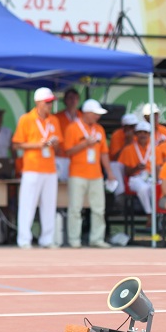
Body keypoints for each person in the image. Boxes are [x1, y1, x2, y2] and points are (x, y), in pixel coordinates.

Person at [12, 87, 62, 249]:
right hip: (32, 168)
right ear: (38, 102)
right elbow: (17, 144)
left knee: (49, 205)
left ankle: (47, 239)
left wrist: (53, 143)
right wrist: (38, 145)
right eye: (47, 102)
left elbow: (60, 144)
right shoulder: (26, 119)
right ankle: (24, 239)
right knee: (28, 204)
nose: (49, 105)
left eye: (51, 102)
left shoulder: (54, 120)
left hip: (50, 168)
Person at [63, 99, 115, 249]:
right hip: (77, 174)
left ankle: (97, 239)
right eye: (95, 114)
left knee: (99, 209)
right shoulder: (72, 128)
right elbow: (67, 151)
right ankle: (74, 240)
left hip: (96, 174)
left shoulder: (99, 129)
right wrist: (85, 144)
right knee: (75, 208)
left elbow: (104, 153)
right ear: (87, 113)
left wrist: (110, 173)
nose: (98, 117)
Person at [118, 122, 166, 216]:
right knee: (143, 189)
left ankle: (158, 215)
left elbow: (157, 167)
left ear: (149, 134)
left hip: (150, 177)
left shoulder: (155, 149)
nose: (142, 135)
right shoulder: (128, 149)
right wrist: (136, 168)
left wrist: (158, 181)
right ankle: (149, 214)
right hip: (135, 179)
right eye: (140, 132)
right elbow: (126, 172)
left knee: (155, 189)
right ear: (136, 134)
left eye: (145, 132)